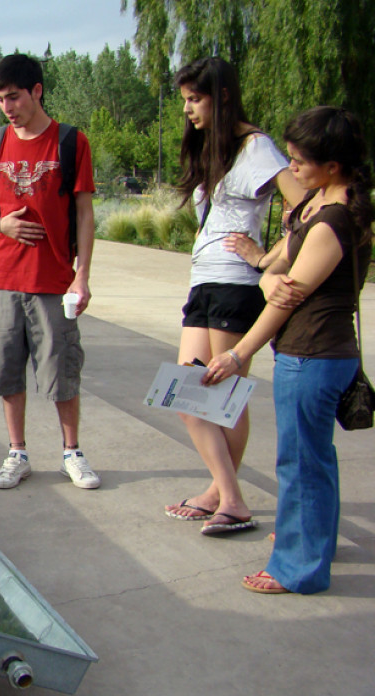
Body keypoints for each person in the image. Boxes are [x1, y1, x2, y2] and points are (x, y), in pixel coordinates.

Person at [203, 107, 373, 593]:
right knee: (313, 458)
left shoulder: (332, 222)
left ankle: (298, 566)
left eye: (299, 161)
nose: (291, 169)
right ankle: (314, 539)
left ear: (333, 166)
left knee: (300, 464)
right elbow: (277, 271)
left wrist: (238, 354)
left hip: (314, 355)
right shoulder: (319, 206)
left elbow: (283, 298)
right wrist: (268, 268)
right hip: (315, 353)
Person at [162, 57, 305, 533]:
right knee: (185, 392)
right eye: (185, 100)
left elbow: (308, 205)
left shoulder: (256, 146)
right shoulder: (215, 147)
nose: (187, 109)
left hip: (237, 283)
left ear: (222, 96)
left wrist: (267, 258)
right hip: (204, 279)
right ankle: (227, 494)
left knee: (223, 396)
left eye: (194, 99)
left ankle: (227, 497)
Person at [0, 53, 100, 490]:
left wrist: (82, 275)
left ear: (37, 91)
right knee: (6, 368)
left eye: (14, 97)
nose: (8, 107)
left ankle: (72, 453)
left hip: (53, 280)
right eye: (0, 100)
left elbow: (84, 212)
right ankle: (16, 453)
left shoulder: (70, 142)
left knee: (61, 369)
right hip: (4, 277)